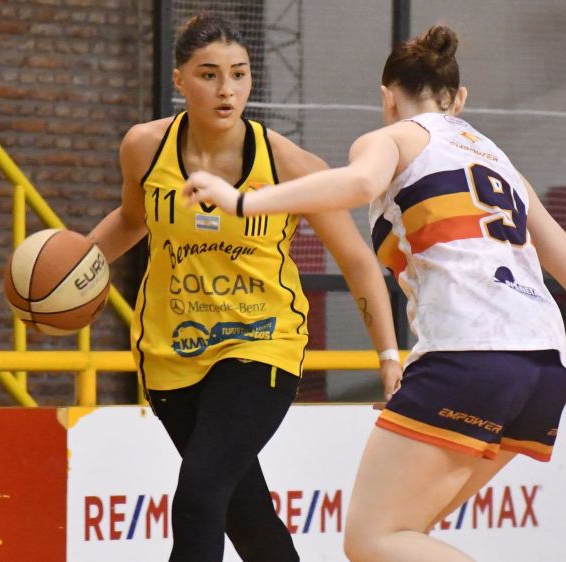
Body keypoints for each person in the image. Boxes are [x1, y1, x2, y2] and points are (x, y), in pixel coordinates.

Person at [183, 24, 566, 562]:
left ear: (388, 98)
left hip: (469, 357)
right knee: (407, 534)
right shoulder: (503, 165)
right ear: (459, 99)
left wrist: (243, 201)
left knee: (373, 539)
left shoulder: (391, 138)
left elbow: (360, 184)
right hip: (546, 371)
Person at [88, 14, 402, 561]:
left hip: (261, 345)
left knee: (199, 493)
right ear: (180, 80)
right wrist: (76, 268)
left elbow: (356, 259)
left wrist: (388, 354)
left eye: (238, 73)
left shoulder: (288, 163)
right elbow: (133, 220)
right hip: (170, 352)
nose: (226, 89)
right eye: (209, 74)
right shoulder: (144, 147)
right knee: (246, 517)